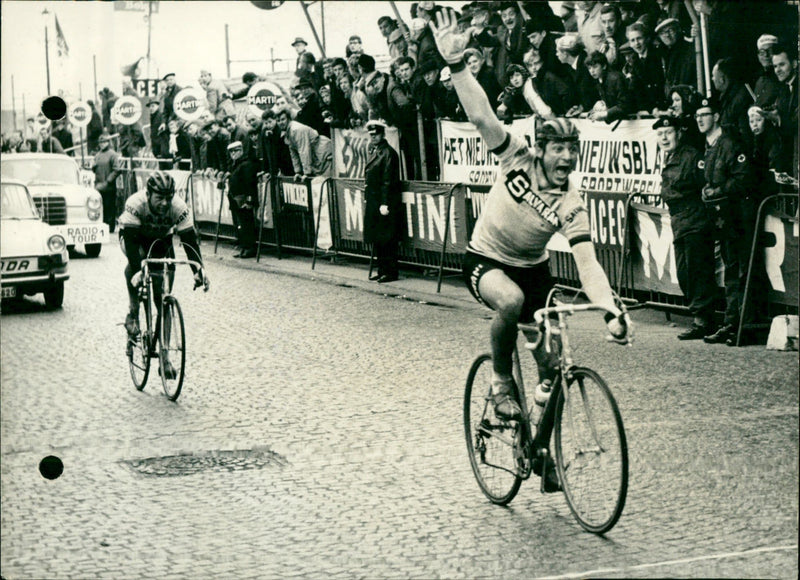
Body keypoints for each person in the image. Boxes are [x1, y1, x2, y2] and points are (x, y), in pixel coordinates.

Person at [430, 10, 630, 488]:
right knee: (512, 302)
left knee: (554, 365)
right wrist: (457, 65)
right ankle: (500, 382)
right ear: (540, 149)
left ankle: (537, 449)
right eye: (558, 151)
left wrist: (609, 308)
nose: (566, 161)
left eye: (573, 154)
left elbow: (588, 264)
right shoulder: (515, 151)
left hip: (534, 269)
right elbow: (481, 114)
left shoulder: (572, 203)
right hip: (487, 261)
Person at [120, 172, 210, 375]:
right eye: (159, 198)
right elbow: (132, 245)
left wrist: (199, 270)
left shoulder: (179, 207)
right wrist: (137, 270)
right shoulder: (136, 203)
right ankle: (133, 312)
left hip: (161, 240)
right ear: (148, 194)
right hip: (135, 238)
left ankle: (165, 359)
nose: (164, 203)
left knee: (163, 299)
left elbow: (189, 241)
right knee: (138, 266)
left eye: (168, 198)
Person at [695, 97, 756, 346]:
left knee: (741, 271)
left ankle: (741, 325)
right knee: (731, 270)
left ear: (717, 116)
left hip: (738, 216)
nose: (700, 119)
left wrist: (717, 191)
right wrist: (707, 190)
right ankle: (731, 323)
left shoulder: (729, 143)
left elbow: (744, 179)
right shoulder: (710, 147)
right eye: (697, 115)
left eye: (705, 114)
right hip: (722, 218)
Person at [652, 116, 717, 339]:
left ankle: (703, 321)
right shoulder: (671, 157)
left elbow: (705, 185)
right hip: (679, 221)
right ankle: (701, 316)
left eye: (668, 132)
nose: (664, 137)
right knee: (683, 272)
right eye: (660, 134)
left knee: (696, 271)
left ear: (678, 133)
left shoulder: (691, 156)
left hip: (695, 219)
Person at [364, 119, 403, 283]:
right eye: (371, 135)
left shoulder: (388, 153)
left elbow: (388, 180)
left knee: (387, 238)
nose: (373, 137)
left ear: (382, 134)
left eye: (376, 134)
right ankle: (382, 269)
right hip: (374, 200)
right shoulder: (375, 151)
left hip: (383, 201)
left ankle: (391, 271)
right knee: (378, 238)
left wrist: (385, 203)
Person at [276, 109, 332, 179]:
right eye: (278, 121)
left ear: (289, 119)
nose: (281, 122)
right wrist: (298, 172)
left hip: (323, 151)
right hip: (315, 155)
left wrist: (307, 173)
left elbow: (304, 151)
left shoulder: (296, 129)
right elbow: (293, 154)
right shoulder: (287, 132)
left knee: (327, 183)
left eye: (283, 119)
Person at [226, 141, 260, 259]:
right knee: (241, 224)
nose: (233, 154)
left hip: (243, 198)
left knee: (247, 224)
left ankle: (250, 248)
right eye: (231, 152)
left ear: (241, 151)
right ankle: (244, 246)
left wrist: (249, 200)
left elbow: (250, 184)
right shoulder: (235, 164)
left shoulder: (246, 164)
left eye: (236, 151)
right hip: (235, 198)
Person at [92, 132, 122, 233]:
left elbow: (117, 169)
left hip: (109, 187)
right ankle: (103, 226)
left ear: (108, 142)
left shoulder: (113, 154)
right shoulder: (97, 155)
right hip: (98, 186)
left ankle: (110, 227)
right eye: (100, 142)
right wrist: (91, 167)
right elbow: (94, 168)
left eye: (104, 142)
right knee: (101, 207)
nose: (102, 144)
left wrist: (109, 181)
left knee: (110, 207)